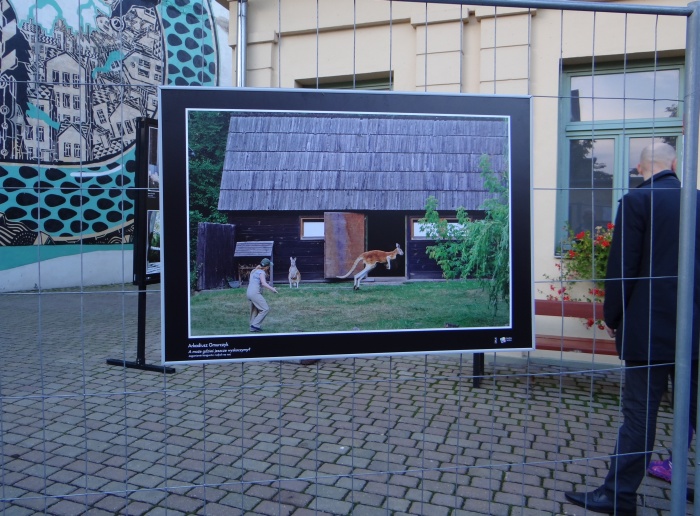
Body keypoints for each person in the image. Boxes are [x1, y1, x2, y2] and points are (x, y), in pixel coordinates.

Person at [564, 142, 700, 515]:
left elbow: (621, 270)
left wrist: (614, 318)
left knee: (640, 415)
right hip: (695, 331)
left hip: (648, 330)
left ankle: (619, 496)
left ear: (640, 168)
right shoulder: (697, 200)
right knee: (695, 409)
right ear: (674, 164)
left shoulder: (637, 202)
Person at [246, 258, 278, 332]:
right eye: (268, 266)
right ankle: (255, 325)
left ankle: (252, 326)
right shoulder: (262, 272)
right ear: (266, 267)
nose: (269, 268)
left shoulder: (254, 271)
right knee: (265, 309)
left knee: (255, 309)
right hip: (254, 293)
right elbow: (263, 283)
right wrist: (272, 289)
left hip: (249, 292)